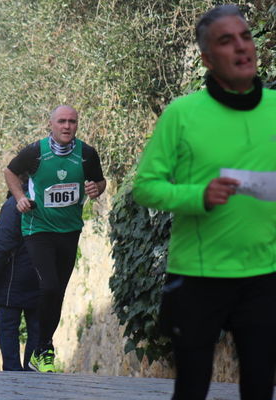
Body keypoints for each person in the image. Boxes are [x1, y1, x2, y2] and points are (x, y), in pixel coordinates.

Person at [132, 5, 276, 399]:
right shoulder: (182, 114)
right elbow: (145, 187)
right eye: (226, 41)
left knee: (261, 387)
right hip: (198, 274)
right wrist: (198, 195)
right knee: (192, 388)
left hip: (265, 273)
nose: (242, 47)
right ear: (207, 59)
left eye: (246, 37)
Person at [4, 105, 106, 372]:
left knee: (57, 292)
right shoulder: (35, 152)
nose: (67, 126)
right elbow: (10, 172)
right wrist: (20, 198)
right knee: (48, 286)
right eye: (61, 121)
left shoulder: (86, 154)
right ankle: (43, 346)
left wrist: (97, 188)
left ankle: (42, 348)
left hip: (70, 230)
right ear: (51, 124)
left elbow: (100, 181)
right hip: (37, 229)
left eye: (72, 121)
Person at [0, 182, 40, 371]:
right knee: (36, 330)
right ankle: (32, 375)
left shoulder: (11, 206)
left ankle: (14, 377)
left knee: (8, 330)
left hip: (12, 280)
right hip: (40, 277)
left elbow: (2, 247)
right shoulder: (45, 201)